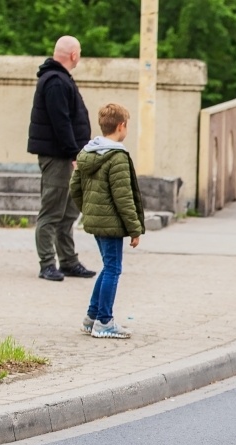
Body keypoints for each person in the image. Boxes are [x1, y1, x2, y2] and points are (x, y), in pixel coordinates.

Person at [69, 103, 144, 339]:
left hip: (98, 221)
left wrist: (90, 211)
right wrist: (135, 229)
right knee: (113, 269)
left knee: (107, 267)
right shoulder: (117, 156)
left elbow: (75, 188)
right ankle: (104, 322)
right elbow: (124, 197)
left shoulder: (88, 152)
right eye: (127, 125)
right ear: (121, 126)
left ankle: (91, 317)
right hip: (112, 224)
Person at [28, 35, 95, 282]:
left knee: (68, 211)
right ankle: (47, 263)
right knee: (52, 211)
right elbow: (61, 122)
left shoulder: (60, 79)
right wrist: (73, 154)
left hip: (67, 156)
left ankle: (68, 261)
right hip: (59, 158)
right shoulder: (56, 81)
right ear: (74, 55)